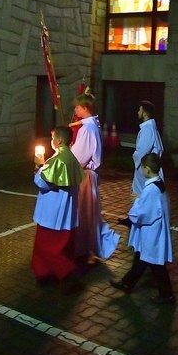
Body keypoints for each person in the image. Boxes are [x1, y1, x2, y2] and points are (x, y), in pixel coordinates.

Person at [110, 153, 175, 304]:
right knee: (141, 258)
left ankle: (167, 295)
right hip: (154, 230)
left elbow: (142, 213)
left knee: (155, 264)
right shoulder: (158, 184)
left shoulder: (150, 190)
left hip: (151, 231)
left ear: (147, 169)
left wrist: (136, 206)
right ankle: (127, 283)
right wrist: (141, 199)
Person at [31, 126, 85, 294]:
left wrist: (39, 166)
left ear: (59, 140)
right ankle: (45, 273)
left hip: (52, 212)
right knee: (61, 246)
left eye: (52, 137)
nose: (51, 140)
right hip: (65, 211)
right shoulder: (69, 157)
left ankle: (67, 273)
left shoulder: (59, 159)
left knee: (47, 246)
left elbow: (43, 183)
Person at [69, 93, 120, 262]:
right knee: (86, 213)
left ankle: (86, 246)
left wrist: (64, 154)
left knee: (85, 213)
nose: (75, 109)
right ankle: (82, 246)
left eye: (77, 106)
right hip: (87, 175)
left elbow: (79, 157)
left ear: (85, 108)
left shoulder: (88, 129)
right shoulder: (90, 126)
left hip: (84, 176)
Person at [131, 100, 164, 196]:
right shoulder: (151, 128)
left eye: (140, 110)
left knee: (142, 195)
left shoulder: (147, 129)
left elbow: (142, 151)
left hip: (146, 167)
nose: (138, 112)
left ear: (144, 113)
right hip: (149, 166)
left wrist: (135, 158)